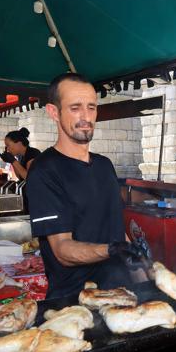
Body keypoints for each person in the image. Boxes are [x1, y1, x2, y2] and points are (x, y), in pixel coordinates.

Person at [26, 73, 148, 299]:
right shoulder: (44, 171)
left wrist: (145, 283)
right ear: (54, 112)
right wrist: (111, 250)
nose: (86, 116)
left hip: (123, 295)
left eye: (91, 107)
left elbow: (117, 230)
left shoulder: (104, 165)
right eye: (75, 108)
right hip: (74, 302)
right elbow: (62, 250)